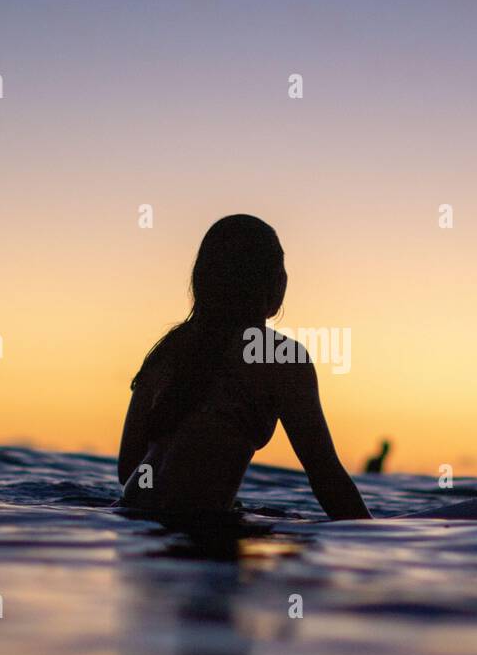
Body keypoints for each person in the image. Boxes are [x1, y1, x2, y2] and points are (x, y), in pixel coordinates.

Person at [117, 214, 370, 520]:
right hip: (197, 528)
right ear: (277, 284)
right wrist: (377, 545)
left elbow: (127, 468)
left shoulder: (170, 349)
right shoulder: (278, 355)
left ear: (201, 280)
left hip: (134, 522)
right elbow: (326, 475)